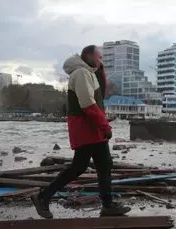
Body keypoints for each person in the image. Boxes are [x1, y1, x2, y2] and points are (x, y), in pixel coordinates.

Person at [31, 45, 131, 219]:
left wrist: (101, 69)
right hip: (87, 128)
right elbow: (88, 104)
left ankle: (108, 205)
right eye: (99, 58)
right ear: (88, 55)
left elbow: (100, 91)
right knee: (80, 167)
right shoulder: (81, 73)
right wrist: (105, 125)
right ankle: (42, 197)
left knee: (103, 164)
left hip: (91, 128)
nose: (101, 61)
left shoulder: (88, 73)